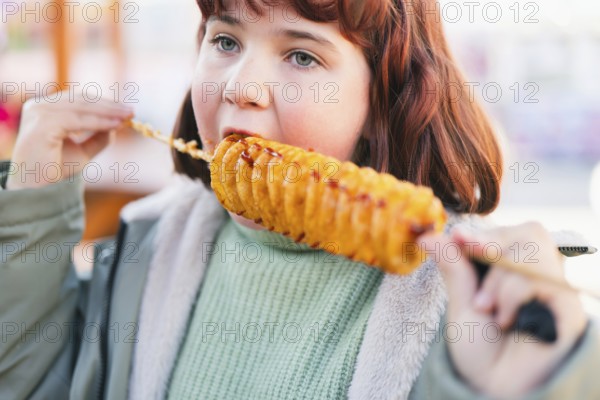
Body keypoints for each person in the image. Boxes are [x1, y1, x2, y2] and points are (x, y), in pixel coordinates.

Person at [1, 0, 598, 399]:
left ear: (381, 99)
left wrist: (551, 379)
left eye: (302, 55)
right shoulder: (142, 249)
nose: (241, 87)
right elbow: (27, 381)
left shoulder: (465, 302)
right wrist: (31, 205)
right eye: (226, 39)